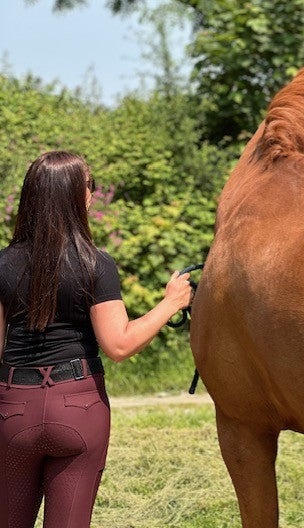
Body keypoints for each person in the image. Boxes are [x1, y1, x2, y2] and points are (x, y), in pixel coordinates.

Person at [0, 150, 193, 528]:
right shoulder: (95, 263)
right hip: (78, 406)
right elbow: (119, 345)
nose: (92, 194)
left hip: (13, 410)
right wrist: (170, 303)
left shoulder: (3, 263)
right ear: (76, 195)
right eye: (91, 186)